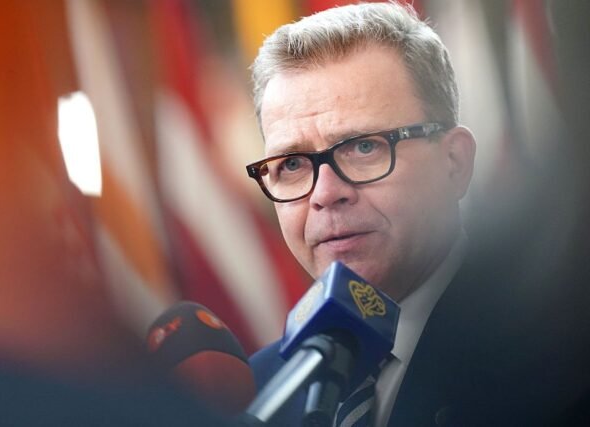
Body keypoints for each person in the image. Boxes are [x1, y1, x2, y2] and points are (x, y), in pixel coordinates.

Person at [245, 2, 590, 426]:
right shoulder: (258, 394)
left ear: (455, 163)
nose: (326, 194)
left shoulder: (561, 351)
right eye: (293, 164)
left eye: (364, 147)